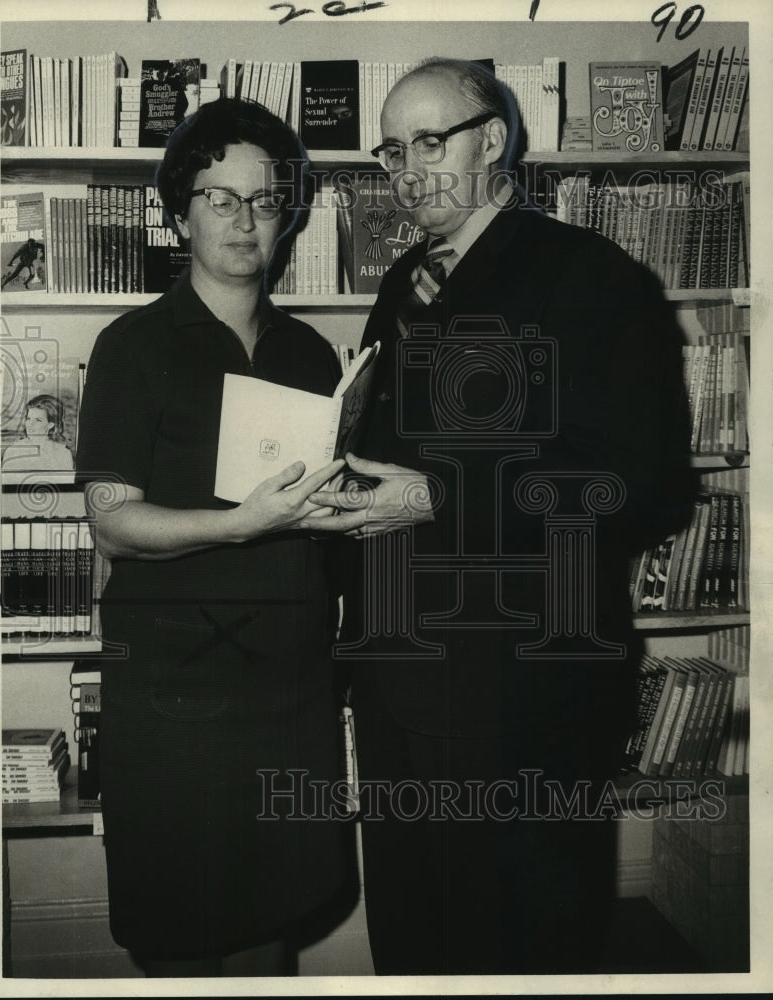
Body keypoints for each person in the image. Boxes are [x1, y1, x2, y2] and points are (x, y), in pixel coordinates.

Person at [309, 58, 695, 974]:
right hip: (397, 678)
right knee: (413, 943)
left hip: (522, 694)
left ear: (495, 139)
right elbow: (399, 450)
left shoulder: (594, 276)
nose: (407, 169)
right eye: (391, 149)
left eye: (430, 142)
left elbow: (641, 483)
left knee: (518, 953)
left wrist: (439, 495)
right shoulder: (405, 276)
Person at [75, 97, 354, 977]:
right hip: (173, 697)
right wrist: (243, 526)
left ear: (289, 216)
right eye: (221, 197)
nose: (245, 219)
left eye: (265, 200)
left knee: (279, 922)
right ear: (180, 211)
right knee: (179, 935)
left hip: (292, 689)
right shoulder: (133, 346)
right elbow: (114, 524)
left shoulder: (312, 355)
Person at [2, 394, 74, 471]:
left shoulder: (63, 454)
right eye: (29, 418)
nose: (30, 424)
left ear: (51, 424)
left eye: (38, 420)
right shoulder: (13, 451)